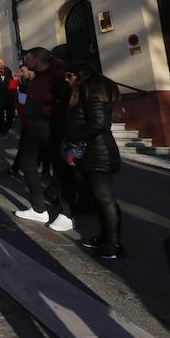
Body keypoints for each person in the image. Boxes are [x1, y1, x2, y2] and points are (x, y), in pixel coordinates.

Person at [59, 63, 123, 257]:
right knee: (98, 197)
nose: (66, 80)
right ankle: (105, 236)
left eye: (69, 75)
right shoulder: (86, 90)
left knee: (105, 198)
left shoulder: (93, 90)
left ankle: (114, 244)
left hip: (98, 151)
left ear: (80, 75)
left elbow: (99, 123)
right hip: (89, 151)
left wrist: (73, 137)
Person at [14, 47, 69, 224]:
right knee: (27, 164)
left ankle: (67, 214)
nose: (25, 62)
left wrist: (49, 114)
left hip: (52, 128)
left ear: (36, 60)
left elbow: (65, 102)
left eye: (28, 59)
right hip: (33, 128)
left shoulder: (57, 76)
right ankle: (39, 209)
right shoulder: (36, 76)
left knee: (60, 169)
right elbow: (26, 100)